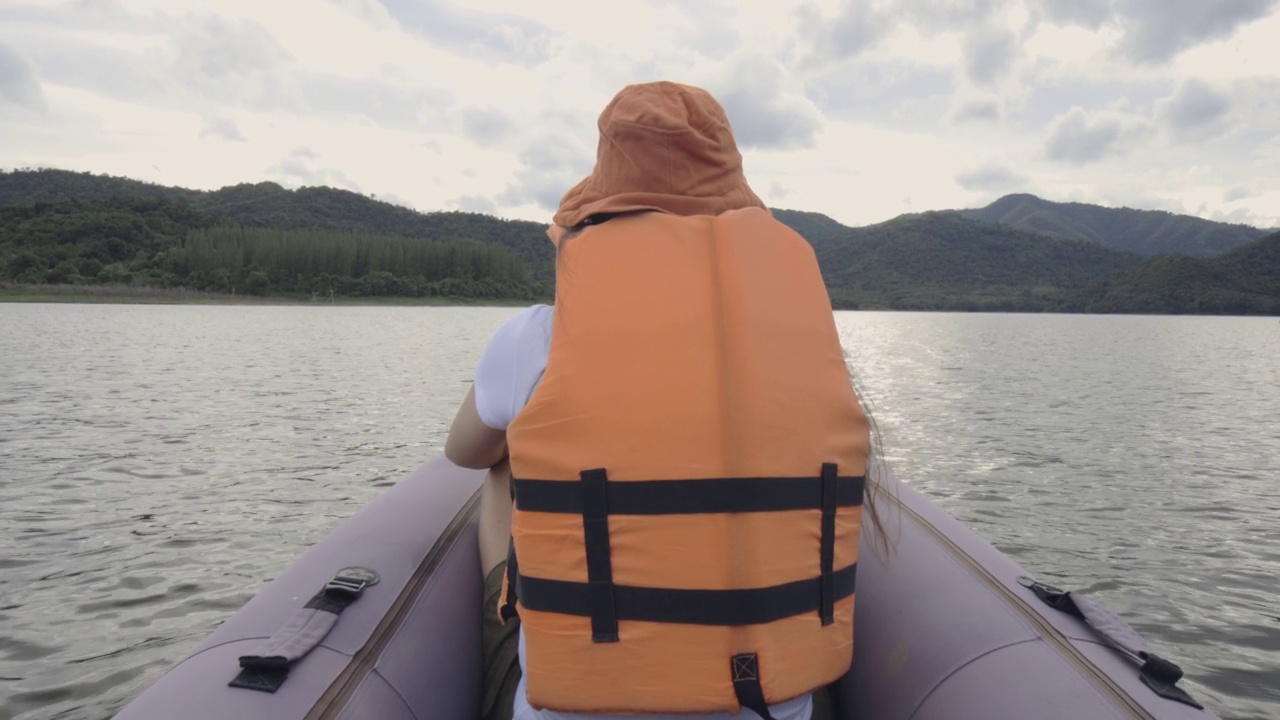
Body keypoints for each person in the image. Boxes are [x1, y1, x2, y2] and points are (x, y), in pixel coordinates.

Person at [446, 81, 884, 720]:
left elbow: (463, 453)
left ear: (600, 211)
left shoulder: (538, 332)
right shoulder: (801, 339)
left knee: (505, 462)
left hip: (576, 696)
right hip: (765, 695)